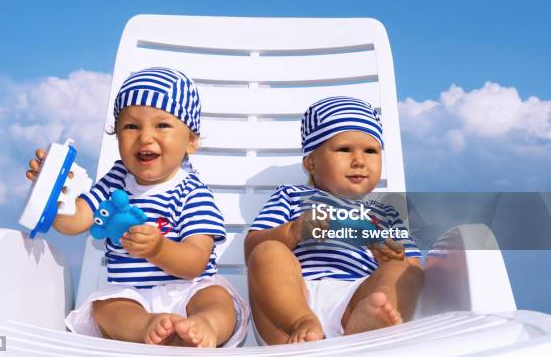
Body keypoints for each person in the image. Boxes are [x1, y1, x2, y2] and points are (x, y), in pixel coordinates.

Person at [26, 67, 248, 348]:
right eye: (131, 126)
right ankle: (149, 328)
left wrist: (159, 249)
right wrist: (54, 193)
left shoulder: (192, 192)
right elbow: (76, 221)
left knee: (217, 298)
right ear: (117, 135)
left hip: (189, 290)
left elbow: (196, 262)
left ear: (191, 141)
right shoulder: (115, 182)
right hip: (131, 295)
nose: (145, 137)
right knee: (106, 308)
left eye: (162, 125)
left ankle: (204, 327)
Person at [245, 96, 423, 345]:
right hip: (291, 302)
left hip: (356, 298)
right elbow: (252, 248)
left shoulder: (385, 213)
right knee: (267, 251)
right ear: (311, 163)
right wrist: (294, 230)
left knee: (407, 271)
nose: (359, 160)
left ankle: (371, 318)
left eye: (370, 151)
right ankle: (303, 323)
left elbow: (412, 266)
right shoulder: (291, 196)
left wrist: (390, 256)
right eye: (344, 149)